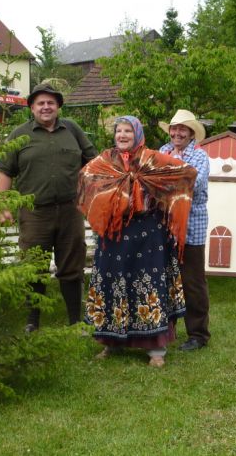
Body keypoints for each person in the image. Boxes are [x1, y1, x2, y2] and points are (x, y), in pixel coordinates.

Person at [78, 116, 197, 367]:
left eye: (128, 131)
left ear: (138, 134)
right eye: (118, 131)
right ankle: (110, 342)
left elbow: (185, 173)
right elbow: (86, 178)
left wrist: (162, 197)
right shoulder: (105, 161)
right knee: (113, 284)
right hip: (114, 233)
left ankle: (156, 350)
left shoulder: (151, 159)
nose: (122, 135)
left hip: (148, 234)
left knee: (148, 284)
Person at [0, 83, 98, 331]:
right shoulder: (19, 135)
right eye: (40, 103)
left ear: (58, 106)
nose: (46, 107)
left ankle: (75, 321)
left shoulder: (72, 130)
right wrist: (3, 206)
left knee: (72, 265)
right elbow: (5, 171)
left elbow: (94, 163)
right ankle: (33, 321)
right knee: (34, 267)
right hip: (34, 213)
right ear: (31, 107)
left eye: (50, 103)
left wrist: (94, 197)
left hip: (70, 211)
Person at [159, 109, 211, 351]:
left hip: (191, 227)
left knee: (192, 282)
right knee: (166, 279)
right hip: (165, 225)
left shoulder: (201, 156)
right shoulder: (162, 151)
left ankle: (198, 334)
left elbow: (194, 184)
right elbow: (152, 181)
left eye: (183, 129)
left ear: (191, 134)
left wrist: (166, 177)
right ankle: (166, 330)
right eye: (174, 128)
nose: (177, 133)